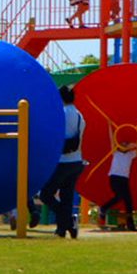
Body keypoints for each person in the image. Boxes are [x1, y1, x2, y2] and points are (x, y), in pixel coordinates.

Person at [38, 86, 86, 239]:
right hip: (77, 161)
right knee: (67, 196)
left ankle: (67, 221)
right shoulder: (80, 116)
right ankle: (63, 228)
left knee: (46, 194)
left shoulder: (61, 114)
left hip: (62, 161)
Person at [95, 141, 137, 232]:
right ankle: (104, 207)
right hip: (114, 177)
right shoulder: (115, 152)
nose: (124, 146)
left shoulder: (130, 154)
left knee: (128, 202)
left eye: (125, 144)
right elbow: (111, 140)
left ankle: (130, 224)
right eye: (122, 144)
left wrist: (133, 145)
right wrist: (110, 127)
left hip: (125, 179)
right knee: (119, 196)